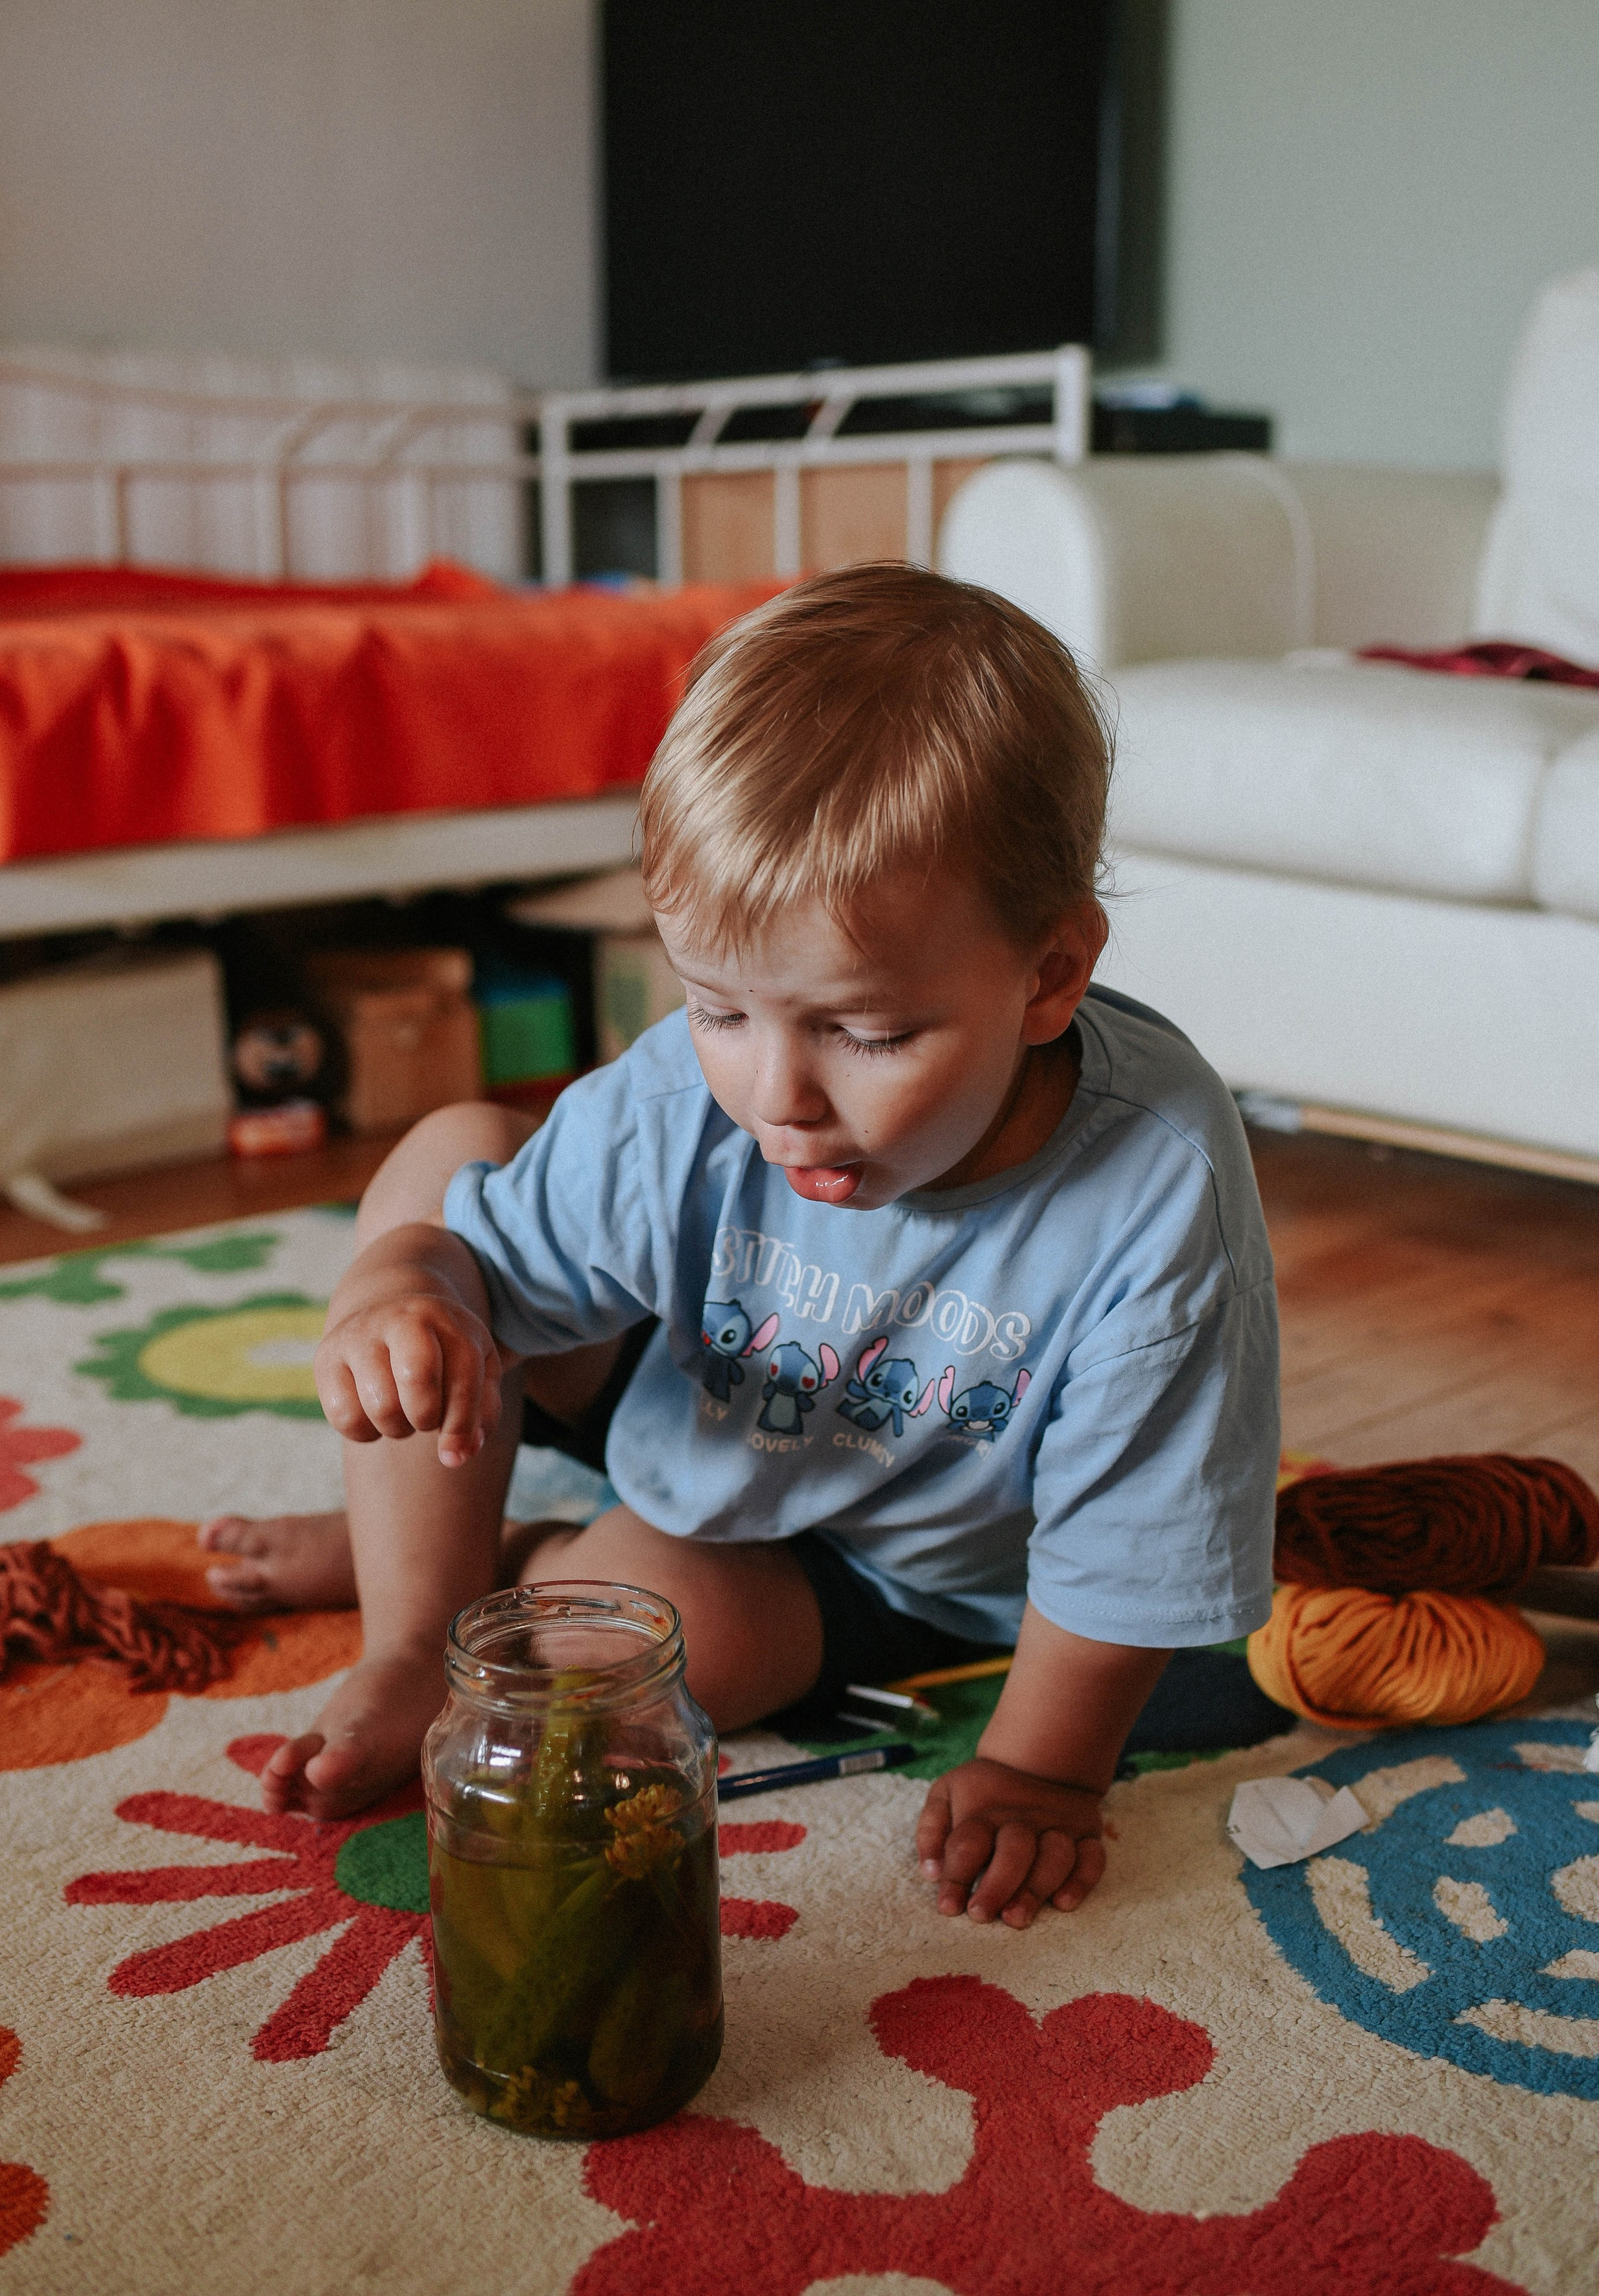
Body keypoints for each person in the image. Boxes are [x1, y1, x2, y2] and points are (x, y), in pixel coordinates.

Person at [201, 563, 1279, 1930]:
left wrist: (1038, 1767)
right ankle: (417, 1626)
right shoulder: (691, 1098)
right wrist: (406, 1284)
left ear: (1049, 974)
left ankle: (497, 1557)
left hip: (895, 1554)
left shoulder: (1152, 1184)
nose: (776, 1093)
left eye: (867, 1032)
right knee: (438, 1165)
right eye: (716, 1006)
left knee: (609, 1663)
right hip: (703, 1386)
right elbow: (481, 1264)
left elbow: (1139, 1533)